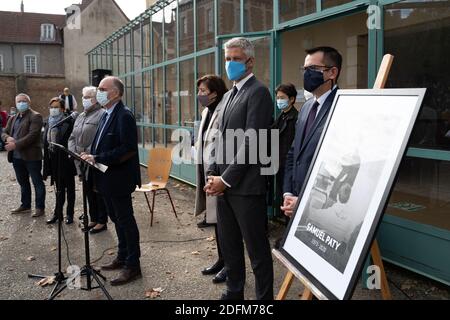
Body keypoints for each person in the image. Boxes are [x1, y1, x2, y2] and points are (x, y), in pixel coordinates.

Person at [205, 37, 274, 300]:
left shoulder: (258, 92)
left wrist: (226, 179)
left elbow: (252, 141)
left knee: (256, 251)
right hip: (224, 186)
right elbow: (218, 138)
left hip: (246, 188)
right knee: (230, 245)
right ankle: (234, 292)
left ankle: (264, 299)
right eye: (227, 59)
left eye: (235, 58)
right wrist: (213, 174)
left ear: (250, 61)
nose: (230, 64)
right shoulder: (227, 97)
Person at [81, 76, 142, 286]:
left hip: (119, 178)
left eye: (102, 89)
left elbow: (128, 149)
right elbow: (102, 144)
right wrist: (91, 155)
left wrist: (98, 158)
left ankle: (133, 266)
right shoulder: (106, 114)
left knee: (126, 221)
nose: (99, 92)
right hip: (103, 176)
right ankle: (122, 256)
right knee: (116, 219)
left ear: (115, 93)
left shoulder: (124, 115)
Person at [282, 46, 342, 218]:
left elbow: (337, 166)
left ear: (332, 72)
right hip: (294, 201)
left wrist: (305, 201)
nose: (306, 74)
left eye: (312, 69)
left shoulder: (343, 107)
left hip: (322, 208)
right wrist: (288, 193)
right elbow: (294, 153)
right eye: (304, 69)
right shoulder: (306, 107)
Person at [194, 74, 228, 284]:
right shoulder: (207, 111)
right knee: (216, 222)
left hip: (221, 175)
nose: (200, 95)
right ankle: (221, 260)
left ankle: (229, 265)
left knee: (225, 224)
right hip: (207, 172)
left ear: (215, 93)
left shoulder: (225, 110)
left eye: (203, 92)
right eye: (199, 91)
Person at [68, 86, 108, 234]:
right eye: (83, 97)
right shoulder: (80, 116)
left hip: (94, 160)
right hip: (81, 160)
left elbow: (101, 139)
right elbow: (72, 137)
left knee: (98, 191)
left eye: (86, 97)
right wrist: (74, 153)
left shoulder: (102, 114)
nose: (83, 100)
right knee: (87, 191)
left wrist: (89, 154)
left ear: (95, 98)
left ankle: (102, 221)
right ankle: (93, 218)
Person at [1, 94, 46, 217]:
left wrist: (15, 145)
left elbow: (32, 135)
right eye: (19, 101)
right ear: (15, 103)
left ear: (29, 102)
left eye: (24, 101)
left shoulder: (35, 116)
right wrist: (7, 137)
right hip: (16, 157)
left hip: (32, 156)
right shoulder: (13, 118)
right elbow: (4, 131)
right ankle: (25, 205)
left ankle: (39, 207)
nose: (21, 103)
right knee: (23, 182)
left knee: (37, 182)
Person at [271, 83, 299, 248]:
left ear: (292, 99)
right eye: (278, 97)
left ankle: (289, 239)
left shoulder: (296, 118)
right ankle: (287, 234)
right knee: (283, 199)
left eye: (282, 98)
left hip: (288, 167)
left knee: (289, 201)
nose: (279, 101)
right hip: (279, 165)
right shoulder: (281, 116)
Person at [43, 98, 77, 225]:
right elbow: (45, 143)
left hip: (67, 161)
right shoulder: (48, 122)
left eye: (56, 107)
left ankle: (69, 214)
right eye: (51, 107)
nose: (53, 109)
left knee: (70, 189)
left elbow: (73, 140)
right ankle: (58, 214)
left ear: (62, 109)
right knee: (59, 190)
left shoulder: (69, 121)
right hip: (54, 161)